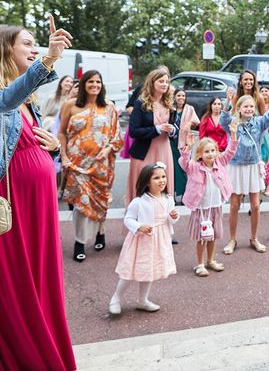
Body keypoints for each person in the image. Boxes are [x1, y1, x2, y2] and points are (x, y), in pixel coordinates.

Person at [0, 20, 76, 370]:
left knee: (42, 280)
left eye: (35, 45)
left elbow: (33, 143)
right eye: (27, 45)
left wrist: (54, 148)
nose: (33, 50)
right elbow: (5, 102)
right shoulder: (7, 95)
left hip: (39, 206)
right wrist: (49, 59)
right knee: (19, 286)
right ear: (5, 51)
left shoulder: (28, 99)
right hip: (15, 208)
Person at [59, 70, 123, 262]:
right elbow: (62, 133)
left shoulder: (109, 106)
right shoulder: (71, 105)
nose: (94, 85)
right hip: (76, 164)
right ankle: (79, 242)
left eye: (98, 82)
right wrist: (63, 156)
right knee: (80, 204)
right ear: (84, 84)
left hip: (102, 164)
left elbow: (117, 135)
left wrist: (109, 149)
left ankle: (100, 233)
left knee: (101, 201)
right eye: (90, 81)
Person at [109, 162, 179, 315]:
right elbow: (128, 219)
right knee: (130, 271)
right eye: (156, 178)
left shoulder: (168, 199)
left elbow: (171, 219)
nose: (161, 180)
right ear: (147, 182)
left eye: (163, 177)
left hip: (159, 240)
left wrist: (174, 216)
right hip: (141, 241)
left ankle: (143, 300)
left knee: (149, 270)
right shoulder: (139, 202)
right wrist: (139, 226)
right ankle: (116, 298)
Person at [220, 90, 269, 254]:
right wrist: (228, 102)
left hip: (253, 166)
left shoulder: (258, 122)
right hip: (236, 166)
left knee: (255, 205)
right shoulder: (232, 122)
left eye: (251, 106)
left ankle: (254, 238)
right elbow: (223, 119)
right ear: (239, 108)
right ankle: (232, 239)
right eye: (245, 106)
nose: (248, 109)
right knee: (234, 205)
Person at [181, 125, 238, 276]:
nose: (210, 154)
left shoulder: (220, 163)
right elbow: (184, 163)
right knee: (202, 237)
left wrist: (233, 135)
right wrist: (188, 148)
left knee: (213, 236)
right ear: (199, 154)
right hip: (201, 209)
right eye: (206, 151)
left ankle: (211, 260)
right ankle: (200, 264)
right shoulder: (194, 167)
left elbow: (231, 152)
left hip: (215, 207)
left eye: (213, 151)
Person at [127, 68, 177, 206]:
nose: (164, 84)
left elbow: (174, 128)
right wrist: (156, 129)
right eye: (161, 81)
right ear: (152, 82)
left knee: (163, 187)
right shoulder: (140, 104)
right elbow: (133, 131)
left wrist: (172, 130)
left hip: (164, 150)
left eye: (167, 82)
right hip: (144, 152)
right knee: (144, 188)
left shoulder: (169, 105)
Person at [170, 88, 200, 201]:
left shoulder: (189, 109)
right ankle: (171, 194)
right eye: (178, 96)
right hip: (171, 142)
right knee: (172, 168)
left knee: (184, 169)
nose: (181, 98)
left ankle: (184, 196)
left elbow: (197, 122)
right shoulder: (170, 109)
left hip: (185, 142)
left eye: (183, 96)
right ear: (174, 97)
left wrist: (190, 124)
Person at [260, 84, 269, 195]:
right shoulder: (256, 104)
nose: (264, 93)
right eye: (262, 91)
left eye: (266, 91)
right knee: (259, 161)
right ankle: (259, 184)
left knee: (268, 163)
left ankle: (267, 186)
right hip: (259, 136)